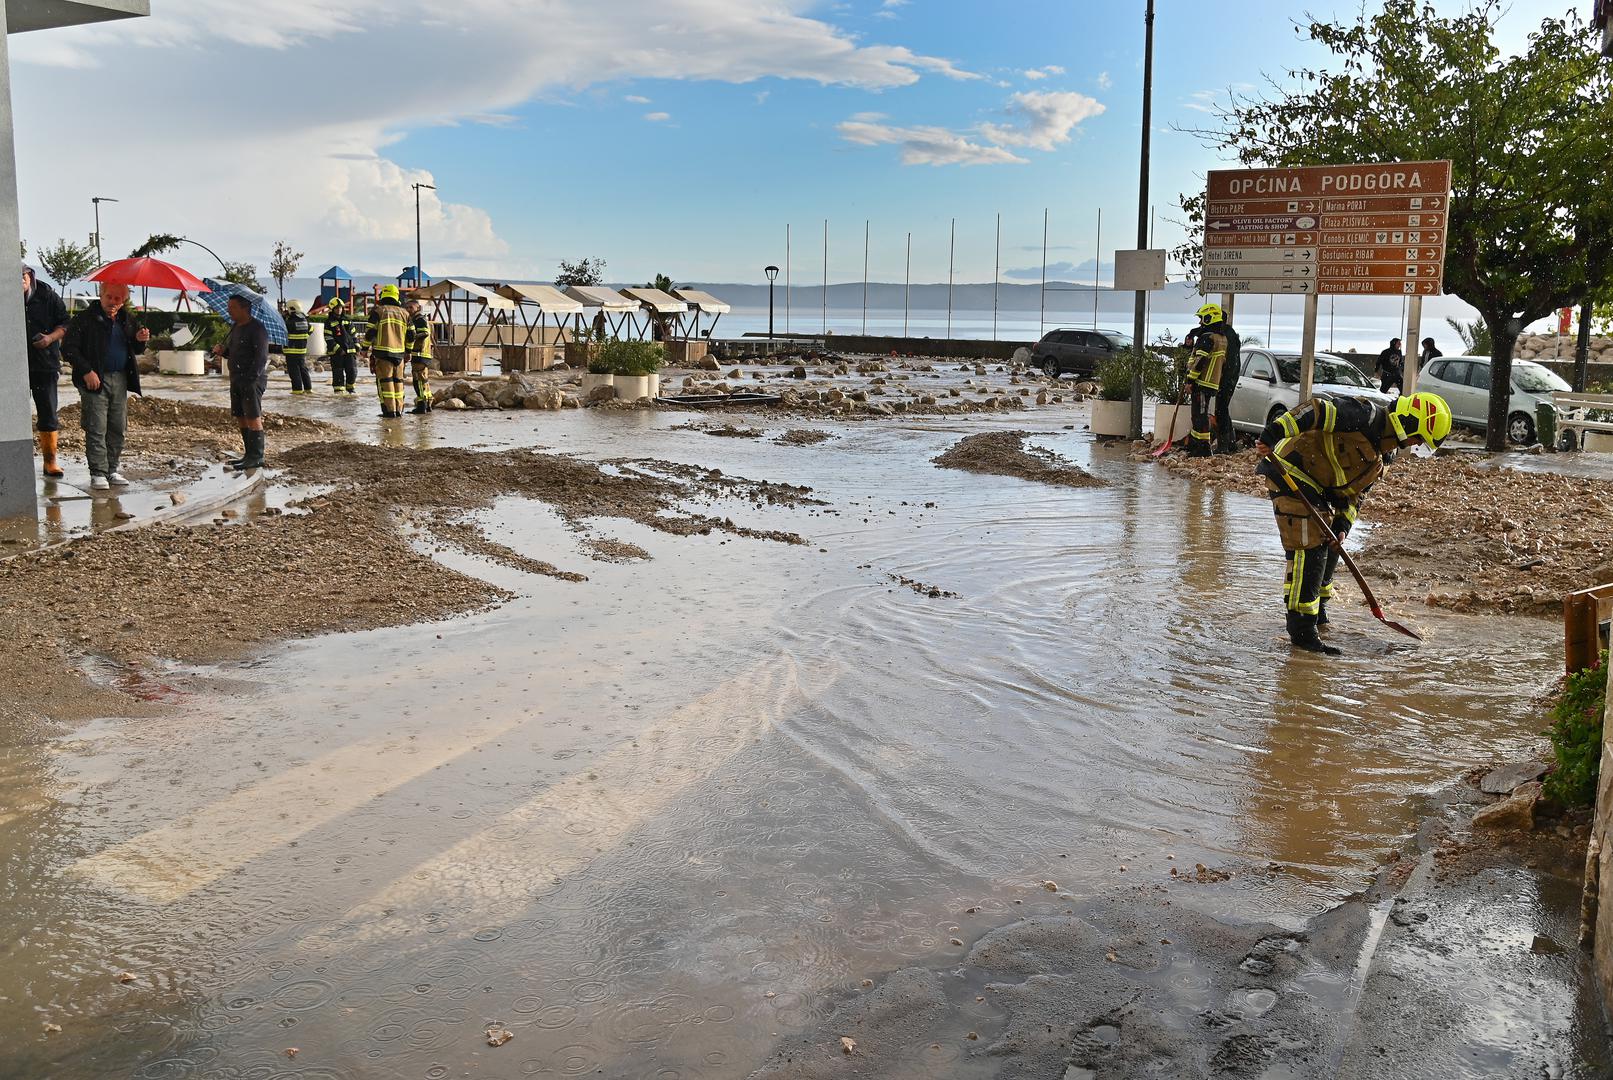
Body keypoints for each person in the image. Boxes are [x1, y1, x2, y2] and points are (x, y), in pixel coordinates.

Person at [1254, 392, 1451, 656]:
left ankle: (1318, 612)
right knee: (1308, 550)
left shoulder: (1384, 456)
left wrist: (1342, 526)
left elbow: (1356, 495)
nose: (1414, 445)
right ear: (1410, 423)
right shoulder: (1363, 415)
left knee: (1330, 549)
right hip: (1291, 472)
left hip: (1321, 489)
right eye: (1418, 439)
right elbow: (1315, 409)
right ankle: (1302, 633)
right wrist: (1274, 432)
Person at [62, 282, 149, 491]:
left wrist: (140, 340)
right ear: (100, 295)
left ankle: (112, 468)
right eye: (109, 297)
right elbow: (68, 348)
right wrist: (86, 371)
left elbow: (135, 349)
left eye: (117, 298)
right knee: (96, 425)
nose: (112, 302)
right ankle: (98, 472)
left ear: (124, 300)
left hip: (120, 378)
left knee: (118, 426)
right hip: (94, 378)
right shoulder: (84, 319)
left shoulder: (126, 319)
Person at [213, 293, 269, 470]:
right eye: (228, 308)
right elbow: (235, 353)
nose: (229, 311)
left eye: (233, 308)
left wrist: (250, 379)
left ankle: (256, 456)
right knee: (240, 416)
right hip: (236, 378)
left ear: (245, 308)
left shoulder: (257, 329)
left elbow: (261, 358)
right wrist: (224, 352)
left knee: (253, 416)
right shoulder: (235, 327)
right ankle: (248, 454)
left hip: (252, 380)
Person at [23, 265, 69, 478]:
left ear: (29, 276)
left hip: (44, 364)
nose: (18, 283)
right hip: (13, 367)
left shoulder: (47, 295)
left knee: (48, 412)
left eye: (22, 277)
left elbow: (65, 323)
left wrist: (50, 338)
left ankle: (50, 461)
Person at [1184, 302, 1230, 457]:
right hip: (1211, 382)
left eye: (1202, 318)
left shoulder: (1207, 338)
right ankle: (1196, 445)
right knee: (1199, 414)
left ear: (1210, 318)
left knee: (1200, 416)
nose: (1200, 322)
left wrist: (1190, 380)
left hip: (1202, 383)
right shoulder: (1221, 338)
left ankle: (1202, 448)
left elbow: (1200, 361)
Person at [365, 283, 409, 418]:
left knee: (385, 382)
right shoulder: (405, 313)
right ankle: (399, 411)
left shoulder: (379, 311)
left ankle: (389, 412)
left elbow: (370, 332)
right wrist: (408, 351)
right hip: (400, 355)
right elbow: (411, 335)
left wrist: (364, 348)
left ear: (383, 295)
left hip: (382, 353)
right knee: (398, 382)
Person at [405, 297, 435, 414]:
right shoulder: (420, 319)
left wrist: (411, 337)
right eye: (407, 307)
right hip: (424, 354)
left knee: (418, 380)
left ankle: (421, 405)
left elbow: (424, 333)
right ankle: (428, 404)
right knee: (424, 380)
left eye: (411, 307)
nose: (408, 310)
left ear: (418, 308)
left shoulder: (418, 319)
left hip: (419, 354)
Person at [325, 295, 357, 395]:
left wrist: (357, 346)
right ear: (332, 309)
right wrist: (338, 349)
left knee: (352, 371)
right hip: (337, 353)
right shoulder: (329, 322)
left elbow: (353, 335)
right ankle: (339, 393)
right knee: (338, 373)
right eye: (337, 308)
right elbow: (328, 338)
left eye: (340, 308)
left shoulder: (348, 320)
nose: (339, 310)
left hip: (350, 351)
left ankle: (350, 390)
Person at [283, 300, 312, 394]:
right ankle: (308, 389)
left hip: (291, 350)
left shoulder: (289, 322)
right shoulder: (304, 320)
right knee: (303, 369)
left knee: (294, 371)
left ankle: (297, 390)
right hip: (302, 350)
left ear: (291, 308)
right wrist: (305, 337)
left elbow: (283, 330)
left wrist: (284, 317)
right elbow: (311, 329)